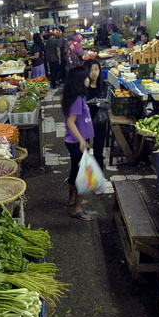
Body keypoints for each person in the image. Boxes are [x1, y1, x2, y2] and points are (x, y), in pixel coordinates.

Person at [62, 66, 95, 221]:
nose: (89, 79)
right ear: (79, 82)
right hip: (77, 142)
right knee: (83, 176)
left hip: (73, 141)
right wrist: (82, 140)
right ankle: (77, 208)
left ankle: (71, 200)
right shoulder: (76, 100)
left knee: (75, 171)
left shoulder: (73, 97)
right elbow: (71, 122)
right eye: (86, 78)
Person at [84, 59, 109, 194]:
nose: (94, 73)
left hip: (100, 122)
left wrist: (105, 104)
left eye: (96, 69)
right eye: (91, 70)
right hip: (85, 124)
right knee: (85, 152)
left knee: (98, 152)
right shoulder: (82, 87)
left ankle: (99, 182)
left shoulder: (105, 87)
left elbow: (111, 104)